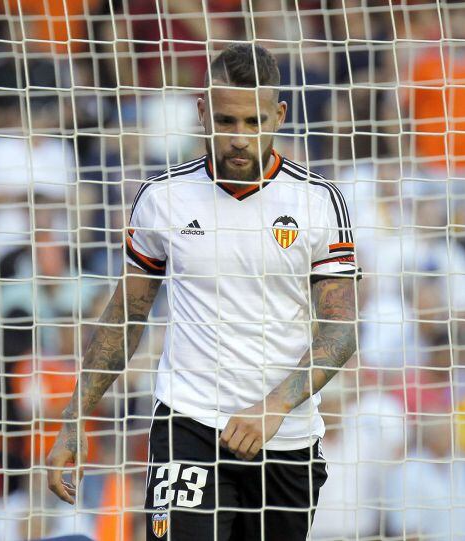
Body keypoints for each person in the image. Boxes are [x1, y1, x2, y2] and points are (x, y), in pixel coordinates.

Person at [47, 43, 359, 541]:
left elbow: (341, 330)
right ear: (201, 111)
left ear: (279, 115)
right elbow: (125, 316)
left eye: (254, 122)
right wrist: (74, 418)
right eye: (226, 121)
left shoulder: (319, 201)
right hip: (187, 424)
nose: (240, 138)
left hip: (285, 437)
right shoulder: (161, 198)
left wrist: (274, 406)